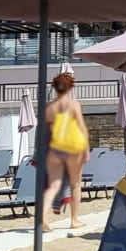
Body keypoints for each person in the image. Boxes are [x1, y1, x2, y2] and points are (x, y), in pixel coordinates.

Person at [40, 71, 90, 230]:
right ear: (70, 88)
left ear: (55, 88)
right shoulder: (74, 105)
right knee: (76, 184)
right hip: (73, 148)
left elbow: (45, 132)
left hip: (56, 148)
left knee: (53, 185)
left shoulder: (49, 108)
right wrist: (86, 149)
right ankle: (74, 220)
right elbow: (81, 127)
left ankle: (43, 218)